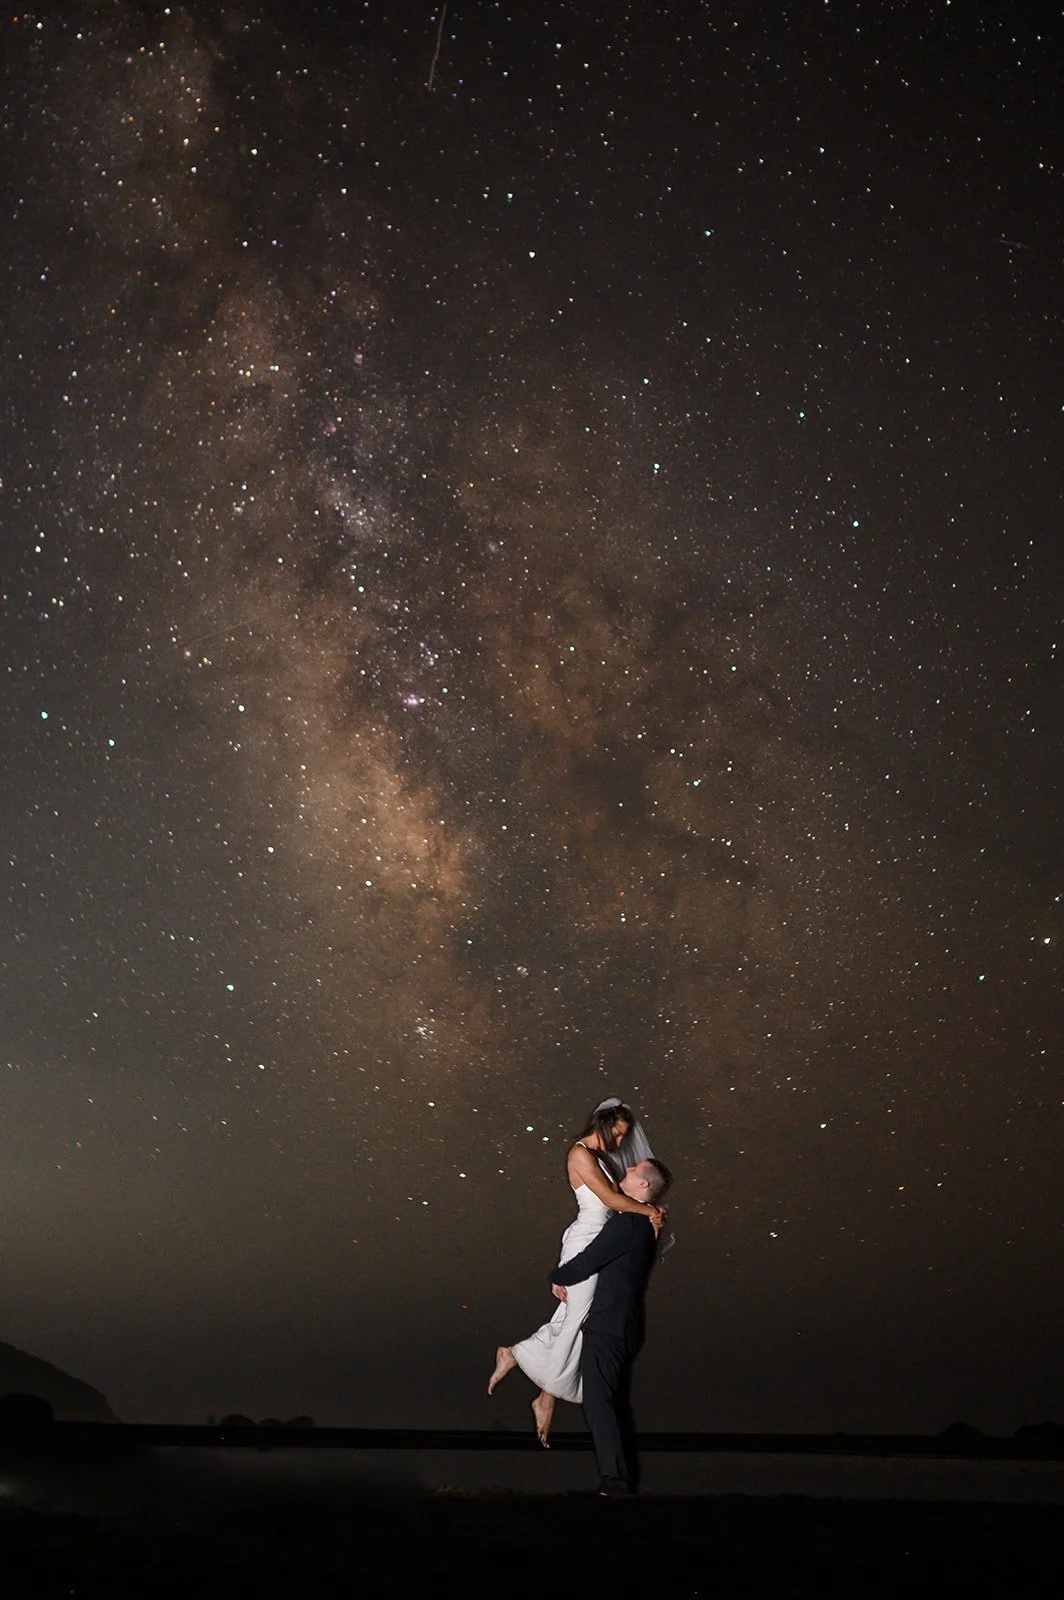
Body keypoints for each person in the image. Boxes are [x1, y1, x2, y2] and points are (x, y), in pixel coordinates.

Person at [488, 1098, 665, 1446]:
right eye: (617, 1133)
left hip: (598, 1242)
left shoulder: (600, 1159)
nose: (620, 1142)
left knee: (576, 1316)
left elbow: (618, 1202)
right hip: (585, 1242)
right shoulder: (580, 1155)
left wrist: (650, 1216)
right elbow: (611, 1201)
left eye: (623, 1136)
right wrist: (649, 1211)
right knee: (578, 1318)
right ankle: (522, 1363)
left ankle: (543, 1393)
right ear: (603, 1124)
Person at [550, 1156, 673, 1495]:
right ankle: (619, 1479)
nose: (627, 1169)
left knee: (599, 1402)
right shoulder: (640, 1224)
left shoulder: (630, 1223)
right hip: (624, 1323)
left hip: (610, 1324)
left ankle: (614, 1481)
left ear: (643, 1184)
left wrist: (557, 1276)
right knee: (610, 1403)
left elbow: (590, 1260)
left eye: (634, 1170)